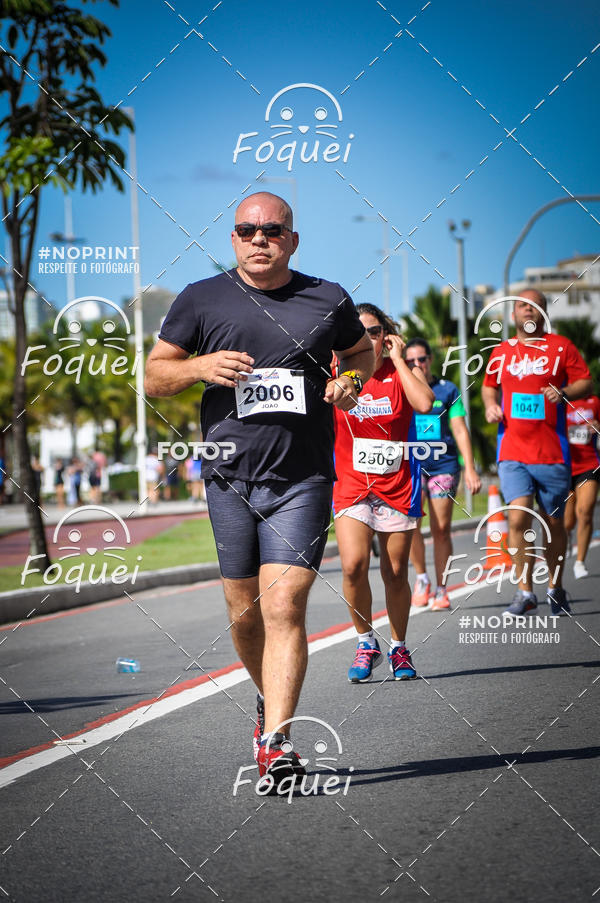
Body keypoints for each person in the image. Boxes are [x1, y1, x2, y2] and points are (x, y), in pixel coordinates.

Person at [144, 192, 374, 786]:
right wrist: (198, 367)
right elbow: (154, 376)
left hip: (302, 477)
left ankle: (279, 742)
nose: (259, 239)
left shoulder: (327, 297)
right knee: (243, 614)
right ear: (233, 239)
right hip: (228, 478)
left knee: (283, 605)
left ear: (292, 240)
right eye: (247, 230)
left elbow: (361, 351)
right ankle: (266, 701)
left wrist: (349, 379)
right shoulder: (201, 298)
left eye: (272, 230)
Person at [333, 305, 434, 683]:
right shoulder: (337, 374)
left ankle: (399, 647)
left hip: (397, 486)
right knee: (353, 565)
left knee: (394, 572)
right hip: (352, 485)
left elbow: (425, 404)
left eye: (374, 332)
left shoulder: (400, 373)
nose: (366, 339)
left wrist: (399, 359)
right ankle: (365, 642)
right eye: (359, 333)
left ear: (386, 335)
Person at [482, 290, 592, 615]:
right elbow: (490, 384)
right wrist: (490, 405)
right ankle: (525, 591)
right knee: (517, 516)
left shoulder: (561, 347)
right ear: (513, 315)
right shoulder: (501, 352)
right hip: (512, 450)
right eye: (522, 307)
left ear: (544, 313)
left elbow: (586, 382)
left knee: (554, 525)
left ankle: (556, 587)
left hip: (552, 452)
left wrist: (565, 391)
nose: (529, 311)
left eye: (536, 307)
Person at [405, 338, 481, 610]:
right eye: (410, 361)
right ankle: (422, 579)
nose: (417, 365)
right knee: (411, 524)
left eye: (421, 359)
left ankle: (441, 589)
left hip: (443, 466)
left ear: (430, 360)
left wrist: (470, 467)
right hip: (411, 465)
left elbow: (459, 429)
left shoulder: (447, 390)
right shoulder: (402, 387)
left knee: (440, 529)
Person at [564, 393, 600, 578]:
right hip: (564, 466)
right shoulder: (560, 400)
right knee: (568, 521)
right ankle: (567, 535)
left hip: (589, 466)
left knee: (585, 511)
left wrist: (598, 426)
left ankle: (580, 562)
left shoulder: (594, 401)